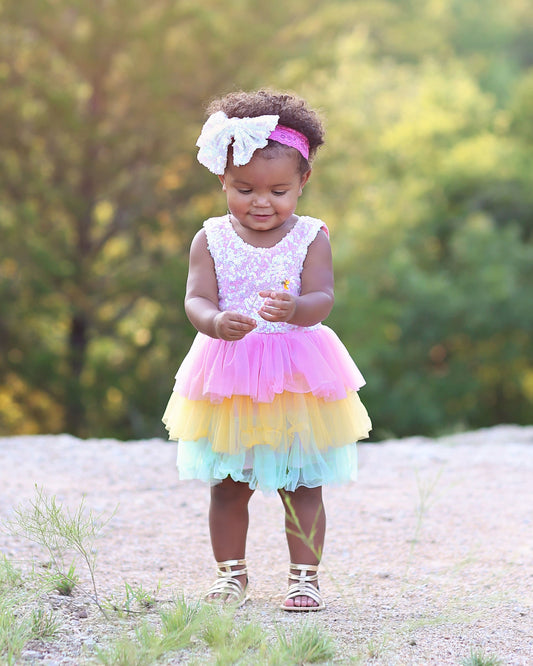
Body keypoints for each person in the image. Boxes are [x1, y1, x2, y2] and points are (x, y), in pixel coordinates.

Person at [163, 89, 371, 611]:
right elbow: (195, 298)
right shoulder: (209, 238)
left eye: (278, 190)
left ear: (303, 182)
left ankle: (305, 577)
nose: (261, 202)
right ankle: (231, 574)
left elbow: (323, 297)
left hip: (296, 373)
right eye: (244, 188)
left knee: (301, 482)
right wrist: (214, 321)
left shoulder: (310, 236)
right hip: (230, 372)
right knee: (230, 483)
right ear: (222, 181)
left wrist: (296, 308)